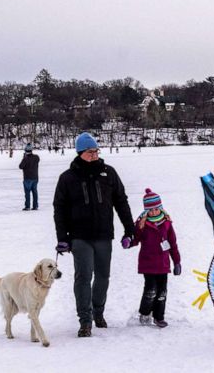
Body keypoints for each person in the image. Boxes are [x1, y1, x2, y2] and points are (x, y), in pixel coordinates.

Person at [53, 132, 135, 338]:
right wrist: (62, 238)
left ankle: (98, 312)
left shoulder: (109, 173)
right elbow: (59, 209)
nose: (95, 155)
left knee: (103, 276)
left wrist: (130, 229)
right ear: (80, 153)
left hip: (104, 234)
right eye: (90, 152)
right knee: (83, 276)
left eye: (96, 151)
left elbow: (121, 201)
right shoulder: (67, 178)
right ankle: (85, 320)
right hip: (79, 236)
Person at [130, 188, 181, 328]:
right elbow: (136, 239)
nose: (153, 212)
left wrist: (177, 262)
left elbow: (173, 244)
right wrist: (129, 242)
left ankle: (159, 317)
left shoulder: (167, 223)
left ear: (160, 208)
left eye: (156, 209)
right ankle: (145, 313)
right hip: (148, 264)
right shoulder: (142, 224)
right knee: (151, 290)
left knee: (162, 293)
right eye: (150, 210)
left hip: (163, 265)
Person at [19, 144, 40, 211]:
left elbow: (20, 166)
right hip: (35, 177)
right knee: (35, 192)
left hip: (27, 178)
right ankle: (35, 206)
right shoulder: (36, 157)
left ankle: (27, 206)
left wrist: (24, 158)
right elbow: (37, 160)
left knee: (27, 193)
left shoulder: (25, 159)